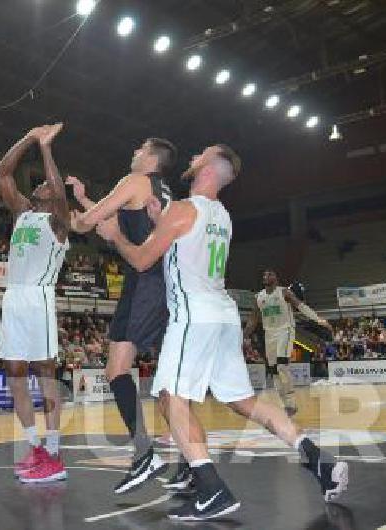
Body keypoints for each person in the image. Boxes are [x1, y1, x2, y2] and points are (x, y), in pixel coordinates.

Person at [96, 144, 348, 520]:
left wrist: (115, 234)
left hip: (194, 315)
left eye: (201, 154)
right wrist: (159, 216)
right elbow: (185, 243)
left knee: (171, 396)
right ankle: (318, 459)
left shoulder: (183, 210)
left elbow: (141, 260)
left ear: (210, 168)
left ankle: (212, 488)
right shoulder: (222, 216)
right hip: (224, 315)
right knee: (243, 401)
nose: (194, 155)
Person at [66, 137, 177, 494]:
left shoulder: (134, 181)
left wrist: (74, 217)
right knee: (168, 378)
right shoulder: (162, 189)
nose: (133, 152)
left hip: (144, 281)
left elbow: (90, 224)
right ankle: (188, 462)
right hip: (166, 283)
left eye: (139, 149)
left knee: (117, 369)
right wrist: (85, 199)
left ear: (151, 159)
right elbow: (117, 215)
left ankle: (145, 454)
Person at [0, 123, 70, 483]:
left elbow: (58, 188)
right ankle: (34, 447)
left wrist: (47, 149)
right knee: (16, 376)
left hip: (38, 298)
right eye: (40, 183)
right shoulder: (22, 211)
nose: (43, 184)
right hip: (13, 297)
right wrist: (30, 136)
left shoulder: (58, 222)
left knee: (46, 374)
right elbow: (1, 171)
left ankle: (54, 453)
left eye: (49, 186)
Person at [244, 269, 332, 416]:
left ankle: (291, 401)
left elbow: (300, 305)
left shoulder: (284, 292)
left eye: (270, 274)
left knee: (282, 365)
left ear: (276, 278)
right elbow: (253, 320)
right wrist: (244, 336)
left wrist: (319, 320)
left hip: (285, 330)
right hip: (269, 334)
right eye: (264, 275)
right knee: (273, 371)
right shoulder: (259, 297)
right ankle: (289, 405)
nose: (266, 276)